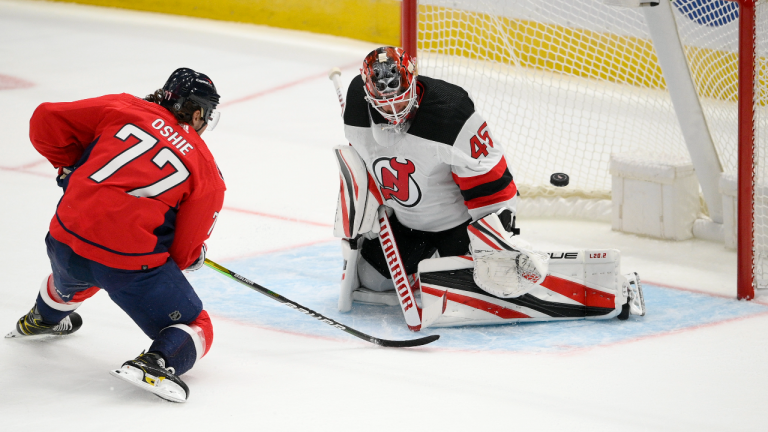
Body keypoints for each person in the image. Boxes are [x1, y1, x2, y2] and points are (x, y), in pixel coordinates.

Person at [333, 47, 645, 328]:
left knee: (497, 284)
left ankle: (612, 287)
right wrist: (370, 210)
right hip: (406, 223)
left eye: (400, 97)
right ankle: (430, 270)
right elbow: (366, 167)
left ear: (413, 81)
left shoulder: (449, 113)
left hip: (460, 225)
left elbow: (490, 178)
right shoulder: (358, 109)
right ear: (368, 94)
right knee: (372, 283)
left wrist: (492, 235)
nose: (393, 109)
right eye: (384, 102)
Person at [5, 68, 226, 402]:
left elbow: (45, 118)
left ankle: (42, 317)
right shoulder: (206, 170)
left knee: (80, 270)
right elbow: (181, 255)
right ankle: (156, 362)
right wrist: (191, 255)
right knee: (198, 325)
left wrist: (68, 167)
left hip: (63, 241)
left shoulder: (123, 107)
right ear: (197, 113)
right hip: (126, 266)